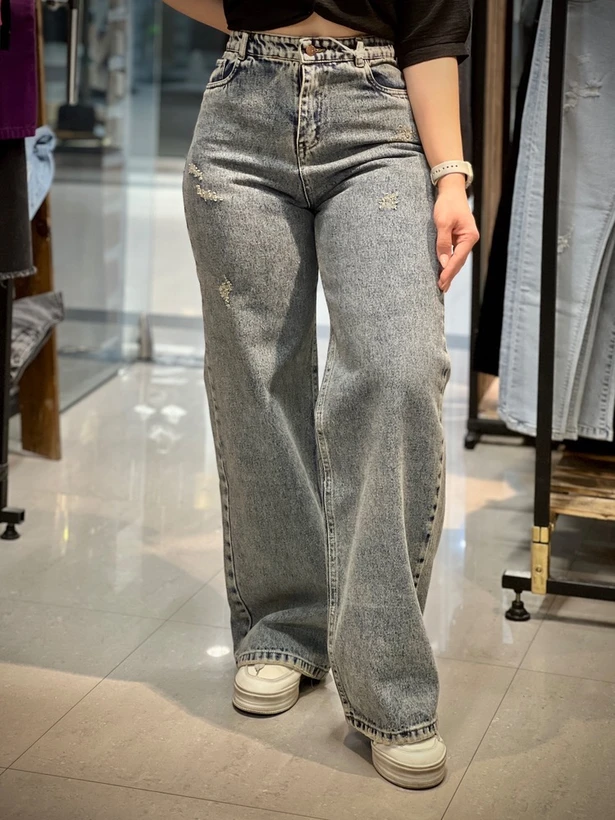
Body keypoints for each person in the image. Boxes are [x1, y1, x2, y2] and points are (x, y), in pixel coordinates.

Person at [163, 0, 478, 791]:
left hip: (380, 120)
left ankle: (388, 679)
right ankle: (284, 626)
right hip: (241, 110)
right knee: (256, 378)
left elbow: (434, 27)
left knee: (397, 370)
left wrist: (450, 174)